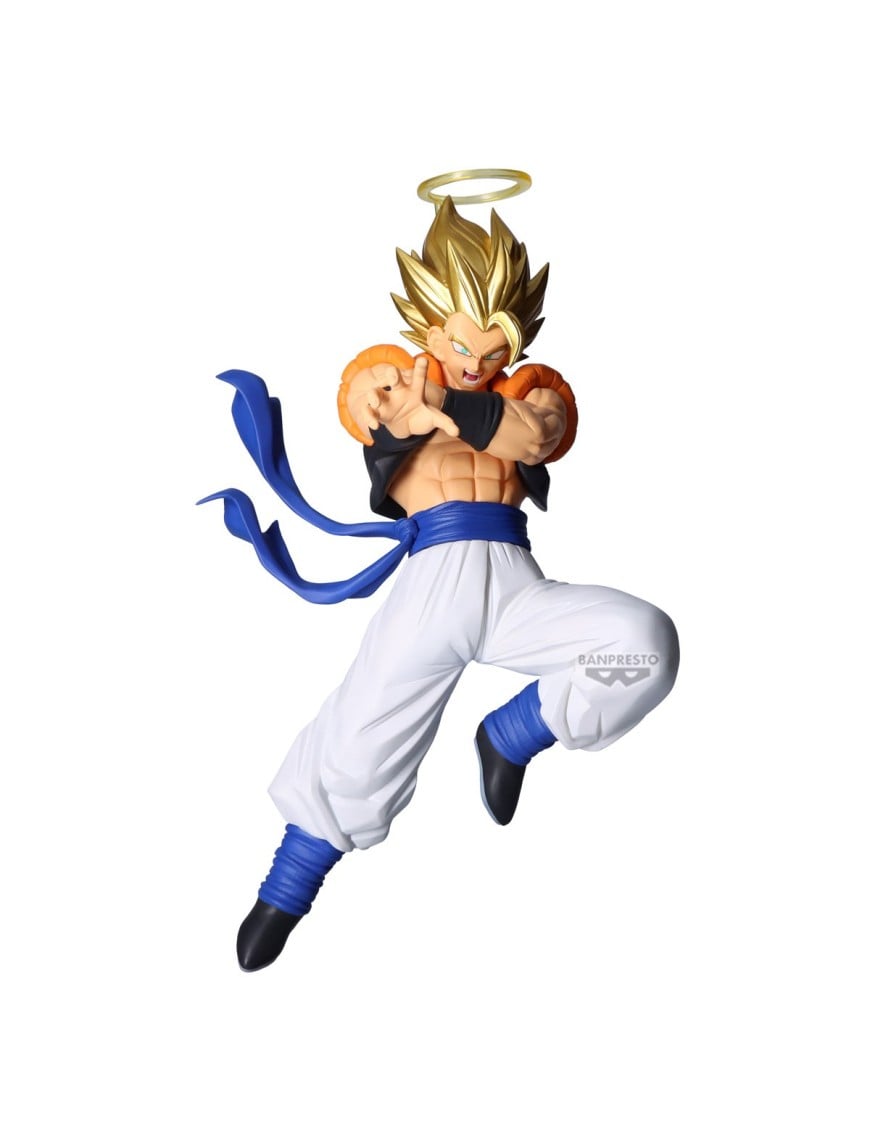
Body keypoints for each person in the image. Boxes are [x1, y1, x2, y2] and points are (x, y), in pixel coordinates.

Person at [205, 198, 679, 971]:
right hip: (433, 580)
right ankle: (288, 885)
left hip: (516, 586)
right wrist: (401, 403)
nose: (474, 360)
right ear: (428, 322)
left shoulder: (532, 388)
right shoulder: (390, 372)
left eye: (494, 346)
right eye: (461, 342)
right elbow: (372, 406)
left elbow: (534, 436)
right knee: (362, 732)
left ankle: (515, 732)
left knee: (642, 645)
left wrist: (449, 405)